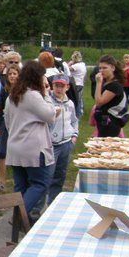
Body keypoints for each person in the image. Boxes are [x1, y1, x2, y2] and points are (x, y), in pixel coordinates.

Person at [4, 60, 56, 220]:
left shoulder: (12, 95)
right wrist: (46, 93)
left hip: (15, 145)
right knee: (39, 183)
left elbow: (7, 121)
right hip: (32, 147)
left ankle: (19, 217)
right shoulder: (33, 95)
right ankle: (20, 216)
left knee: (20, 185)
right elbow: (50, 115)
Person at [46, 74, 79, 204]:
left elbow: (74, 121)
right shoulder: (48, 102)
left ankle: (54, 202)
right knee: (47, 175)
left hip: (66, 143)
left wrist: (74, 135)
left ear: (67, 87)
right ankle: (37, 208)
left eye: (62, 86)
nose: (59, 89)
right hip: (52, 144)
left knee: (60, 175)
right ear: (52, 86)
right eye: (56, 86)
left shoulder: (70, 103)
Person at [0, 62, 20, 194]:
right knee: (2, 152)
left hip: (19, 125)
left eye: (15, 74)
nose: (12, 76)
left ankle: (19, 182)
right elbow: (1, 109)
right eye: (10, 74)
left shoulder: (23, 91)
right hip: (5, 124)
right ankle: (1, 182)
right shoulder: (5, 90)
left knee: (18, 153)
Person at [93, 55, 128, 137]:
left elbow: (99, 102)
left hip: (110, 125)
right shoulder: (107, 82)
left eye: (104, 68)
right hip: (104, 123)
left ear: (113, 68)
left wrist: (98, 83)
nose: (101, 71)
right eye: (100, 68)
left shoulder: (114, 85)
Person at [68, 51, 87, 117]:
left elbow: (66, 69)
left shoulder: (76, 66)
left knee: (74, 99)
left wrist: (69, 63)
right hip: (81, 83)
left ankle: (76, 113)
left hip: (76, 84)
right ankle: (80, 112)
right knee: (79, 99)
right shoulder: (83, 65)